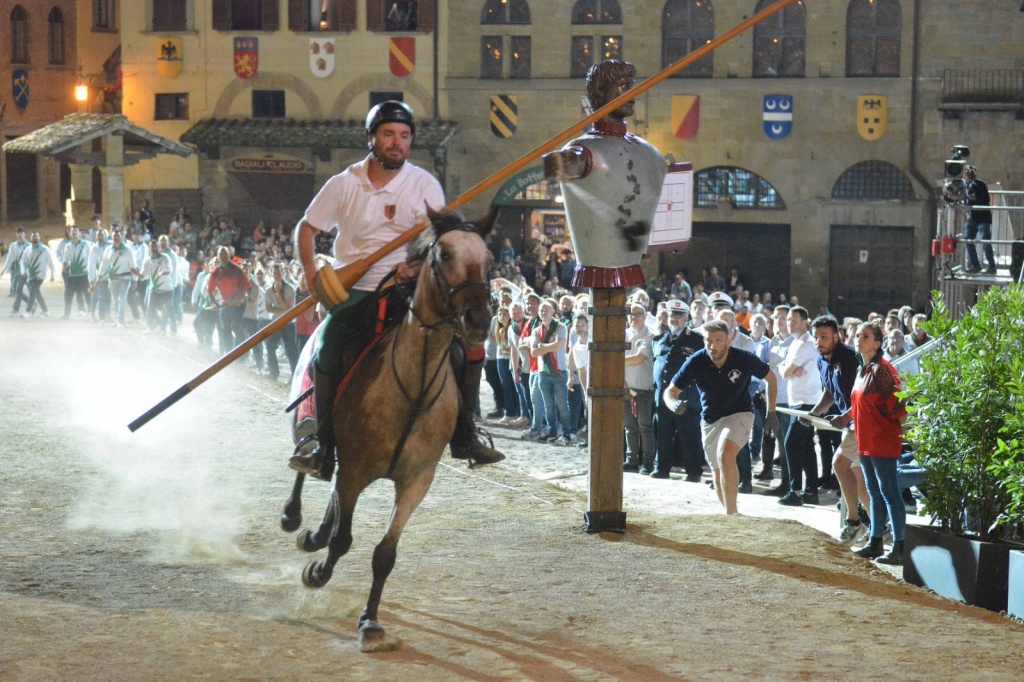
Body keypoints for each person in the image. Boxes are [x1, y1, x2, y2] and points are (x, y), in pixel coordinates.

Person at [288, 100, 503, 479]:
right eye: (388, 134)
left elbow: (440, 240)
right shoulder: (344, 183)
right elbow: (307, 228)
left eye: (404, 136)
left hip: (410, 289)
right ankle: (321, 443)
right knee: (329, 343)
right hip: (356, 288)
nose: (397, 143)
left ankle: (466, 433)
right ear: (371, 137)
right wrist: (310, 270)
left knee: (469, 345)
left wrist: (416, 266)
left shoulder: (423, 184)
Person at [664, 319, 778, 515]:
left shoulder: (743, 358)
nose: (712, 345)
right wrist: (673, 404)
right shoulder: (696, 360)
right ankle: (730, 514)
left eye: (718, 340)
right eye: (708, 340)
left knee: (725, 455)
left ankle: (732, 514)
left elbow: (771, 377)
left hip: (740, 413)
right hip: (710, 419)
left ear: (728, 340)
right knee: (717, 472)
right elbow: (670, 391)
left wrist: (772, 411)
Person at [808, 316, 871, 546]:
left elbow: (864, 395)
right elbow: (830, 391)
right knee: (847, 468)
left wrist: (845, 416)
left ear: (837, 336)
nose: (819, 342)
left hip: (864, 422)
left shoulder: (850, 358)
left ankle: (868, 525)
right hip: (852, 424)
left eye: (824, 337)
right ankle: (861, 523)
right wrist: (815, 412)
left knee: (848, 469)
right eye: (815, 337)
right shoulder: (821, 361)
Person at [850, 321, 909, 565]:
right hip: (865, 440)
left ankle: (900, 547)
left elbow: (899, 407)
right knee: (874, 491)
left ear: (877, 343)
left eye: (865, 336)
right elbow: (858, 404)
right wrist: (843, 418)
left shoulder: (883, 370)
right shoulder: (863, 368)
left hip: (882, 440)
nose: (858, 339)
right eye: (857, 335)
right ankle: (875, 541)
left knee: (889, 492)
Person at [651, 300, 705, 481]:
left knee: (689, 434)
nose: (674, 319)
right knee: (663, 433)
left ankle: (693, 471)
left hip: (685, 397)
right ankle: (662, 467)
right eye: (672, 315)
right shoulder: (660, 340)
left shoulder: (696, 340)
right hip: (662, 397)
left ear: (687, 317)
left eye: (679, 315)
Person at [777, 306, 823, 507]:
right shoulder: (795, 343)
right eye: (788, 319)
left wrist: (787, 369)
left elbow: (785, 373)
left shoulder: (806, 344)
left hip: (806, 401)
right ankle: (811, 490)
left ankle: (795, 491)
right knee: (805, 447)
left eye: (794, 319)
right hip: (798, 399)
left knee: (791, 444)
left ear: (805, 322)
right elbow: (784, 369)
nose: (790, 323)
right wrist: (787, 368)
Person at [624, 301, 656, 472]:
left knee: (645, 426)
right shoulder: (623, 334)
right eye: (631, 314)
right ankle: (632, 459)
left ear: (644, 316)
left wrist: (616, 360)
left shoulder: (649, 335)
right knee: (629, 426)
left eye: (638, 314)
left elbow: (639, 358)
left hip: (643, 388)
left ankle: (648, 461)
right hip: (626, 387)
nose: (634, 317)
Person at [962, 165, 997, 274]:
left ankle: (991, 266)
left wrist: (975, 198)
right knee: (967, 239)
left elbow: (986, 199)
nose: (968, 175)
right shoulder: (964, 186)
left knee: (985, 241)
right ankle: (975, 265)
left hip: (982, 217)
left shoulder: (980, 184)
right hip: (972, 217)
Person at [19, 231, 57, 317]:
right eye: (33, 236)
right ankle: (45, 310)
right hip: (31, 275)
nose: (35, 238)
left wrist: (52, 274)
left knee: (32, 292)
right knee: (37, 293)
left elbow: (51, 262)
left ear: (39, 238)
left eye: (36, 236)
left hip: (40, 275)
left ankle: (28, 312)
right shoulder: (28, 250)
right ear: (30, 238)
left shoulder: (45, 249)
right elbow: (23, 262)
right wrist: (23, 271)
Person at [60, 227, 91, 319]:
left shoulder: (86, 244)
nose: (74, 233)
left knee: (87, 295)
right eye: (72, 231)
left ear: (79, 233)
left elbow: (91, 257)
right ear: (70, 234)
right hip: (73, 275)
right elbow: (65, 258)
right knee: (68, 295)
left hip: (84, 274)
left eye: (76, 231)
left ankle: (91, 314)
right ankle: (66, 314)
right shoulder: (68, 246)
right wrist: (65, 266)